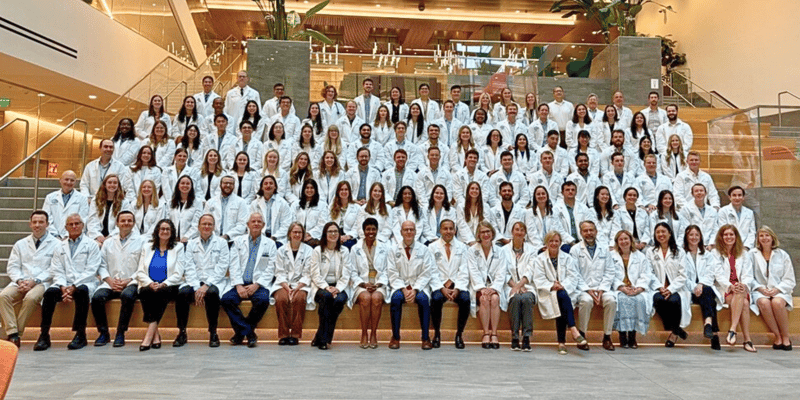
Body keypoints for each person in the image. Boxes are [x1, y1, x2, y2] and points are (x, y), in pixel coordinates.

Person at [30, 214, 98, 351]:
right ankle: (44, 335)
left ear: (82, 225)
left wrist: (73, 286)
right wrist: (62, 286)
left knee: (82, 291)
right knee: (49, 293)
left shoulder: (92, 245)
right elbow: (57, 269)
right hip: (64, 284)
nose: (74, 226)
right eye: (71, 224)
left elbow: (91, 270)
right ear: (66, 227)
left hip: (84, 283)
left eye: (77, 223)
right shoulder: (60, 247)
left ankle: (80, 334)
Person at [0, 211, 60, 347]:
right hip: (21, 281)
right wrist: (20, 280)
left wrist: (35, 281)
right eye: (34, 222)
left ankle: (16, 334)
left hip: (42, 282)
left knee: (31, 298)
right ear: (30, 224)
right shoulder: (20, 244)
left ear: (47, 224)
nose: (37, 225)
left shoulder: (56, 244)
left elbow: (54, 268)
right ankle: (13, 332)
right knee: (3, 296)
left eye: (41, 222)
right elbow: (12, 266)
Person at [222, 213, 277, 348]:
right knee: (226, 300)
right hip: (239, 283)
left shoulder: (270, 244)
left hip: (259, 284)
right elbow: (233, 265)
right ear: (248, 225)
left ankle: (240, 334)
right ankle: (249, 333)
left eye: (259, 221)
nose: (256, 224)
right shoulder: (238, 241)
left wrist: (257, 285)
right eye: (253, 221)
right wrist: (239, 285)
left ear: (263, 226)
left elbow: (271, 268)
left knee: (262, 300)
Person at [91, 211, 144, 348]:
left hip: (132, 281)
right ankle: (103, 333)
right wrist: (108, 280)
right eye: (123, 220)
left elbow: (143, 266)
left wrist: (129, 280)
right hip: (110, 282)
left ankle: (121, 332)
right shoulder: (108, 242)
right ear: (117, 223)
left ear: (133, 223)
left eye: (129, 221)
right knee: (97, 298)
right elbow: (101, 265)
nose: (126, 223)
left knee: (127, 296)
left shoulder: (142, 242)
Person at [135, 219, 190, 351]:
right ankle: (155, 335)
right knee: (144, 292)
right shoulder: (147, 247)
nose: (165, 231)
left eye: (168, 229)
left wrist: (163, 284)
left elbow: (178, 273)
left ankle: (149, 335)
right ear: (157, 231)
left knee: (160, 293)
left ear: (172, 232)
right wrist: (150, 283)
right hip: (150, 284)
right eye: (162, 229)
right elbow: (140, 271)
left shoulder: (178, 247)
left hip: (170, 285)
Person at [533, 231, 589, 354]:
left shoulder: (568, 258)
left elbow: (573, 277)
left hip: (565, 290)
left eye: (556, 241)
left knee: (561, 298)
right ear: (546, 243)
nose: (554, 243)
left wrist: (562, 286)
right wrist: (552, 286)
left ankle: (562, 343)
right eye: (551, 241)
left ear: (560, 243)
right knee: (561, 298)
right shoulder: (539, 259)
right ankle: (573, 330)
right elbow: (538, 279)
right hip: (547, 292)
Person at [183, 214, 233, 347]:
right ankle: (182, 332)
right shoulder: (191, 243)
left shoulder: (222, 243)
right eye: (204, 224)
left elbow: (222, 267)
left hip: (214, 281)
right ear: (198, 226)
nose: (206, 226)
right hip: (195, 280)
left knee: (212, 293)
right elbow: (189, 266)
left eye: (210, 224)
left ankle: (213, 333)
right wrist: (195, 287)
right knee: (182, 294)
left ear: (214, 227)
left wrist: (206, 285)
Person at [386, 221, 434, 350]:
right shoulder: (393, 250)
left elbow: (426, 272)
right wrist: (403, 288)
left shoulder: (424, 249)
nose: (408, 232)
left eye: (411, 229)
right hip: (400, 286)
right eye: (406, 229)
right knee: (395, 299)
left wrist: (415, 289)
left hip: (418, 287)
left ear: (415, 232)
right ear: (401, 232)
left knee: (424, 300)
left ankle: (425, 338)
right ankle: (395, 337)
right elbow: (392, 272)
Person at [571, 220, 617, 351]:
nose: (588, 233)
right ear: (581, 233)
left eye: (591, 230)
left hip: (602, 288)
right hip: (584, 289)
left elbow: (610, 271)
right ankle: (582, 335)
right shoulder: (575, 250)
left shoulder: (604, 249)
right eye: (585, 231)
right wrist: (588, 290)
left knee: (611, 301)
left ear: (596, 231)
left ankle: (607, 337)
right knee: (586, 301)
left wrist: (601, 290)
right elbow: (574, 273)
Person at [307, 222, 352, 350]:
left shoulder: (344, 251)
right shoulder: (317, 251)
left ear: (339, 234)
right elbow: (315, 274)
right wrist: (327, 287)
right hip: (321, 286)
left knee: (339, 299)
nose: (333, 234)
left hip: (339, 286)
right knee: (326, 298)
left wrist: (338, 288)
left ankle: (320, 335)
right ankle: (324, 340)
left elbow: (346, 273)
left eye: (335, 231)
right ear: (325, 234)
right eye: (330, 231)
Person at [712, 224, 756, 352]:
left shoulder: (744, 253)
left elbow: (748, 274)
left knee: (742, 297)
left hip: (740, 288)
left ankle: (733, 329)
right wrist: (730, 286)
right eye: (725, 234)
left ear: (736, 237)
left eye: (731, 234)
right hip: (724, 288)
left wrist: (743, 285)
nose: (728, 237)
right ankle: (747, 340)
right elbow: (718, 274)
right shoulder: (715, 253)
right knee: (745, 304)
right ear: (721, 237)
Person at [750, 226, 795, 350]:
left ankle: (786, 337)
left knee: (777, 302)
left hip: (779, 290)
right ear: (758, 239)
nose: (764, 238)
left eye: (767, 235)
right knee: (764, 303)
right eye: (761, 236)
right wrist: (760, 288)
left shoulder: (783, 255)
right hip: (760, 290)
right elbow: (749, 276)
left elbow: (789, 278)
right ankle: (777, 336)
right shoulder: (752, 254)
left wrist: (777, 289)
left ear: (772, 237)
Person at [428, 219, 471, 349]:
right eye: (445, 229)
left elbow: (464, 270)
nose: (448, 231)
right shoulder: (432, 247)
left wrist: (457, 288)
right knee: (435, 299)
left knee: (465, 299)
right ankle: (436, 334)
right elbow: (431, 270)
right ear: (440, 230)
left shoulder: (463, 247)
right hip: (440, 285)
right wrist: (442, 288)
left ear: (455, 230)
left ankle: (459, 334)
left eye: (451, 228)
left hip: (457, 285)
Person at [647, 222, 691, 348]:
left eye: (663, 232)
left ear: (670, 233)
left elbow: (682, 275)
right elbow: (648, 273)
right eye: (658, 232)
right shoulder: (651, 252)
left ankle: (673, 334)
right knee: (658, 299)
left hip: (676, 288)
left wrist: (670, 289)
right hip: (658, 288)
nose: (661, 235)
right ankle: (677, 329)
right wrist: (660, 287)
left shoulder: (680, 251)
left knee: (675, 301)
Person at [350, 218, 389, 349]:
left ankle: (373, 333)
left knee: (377, 298)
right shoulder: (355, 249)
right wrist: (363, 284)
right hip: (362, 284)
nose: (370, 232)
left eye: (373, 229)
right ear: (363, 231)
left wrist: (378, 284)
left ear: (377, 230)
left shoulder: (385, 247)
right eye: (368, 229)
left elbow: (387, 270)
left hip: (378, 283)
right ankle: (364, 333)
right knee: (366, 298)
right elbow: (353, 272)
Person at [683, 224, 723, 350]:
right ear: (686, 237)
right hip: (689, 290)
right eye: (691, 235)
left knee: (707, 291)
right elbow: (682, 276)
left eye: (697, 235)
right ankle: (713, 332)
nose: (694, 237)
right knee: (709, 299)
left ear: (700, 237)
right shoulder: (681, 254)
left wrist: (701, 285)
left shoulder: (708, 254)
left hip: (704, 288)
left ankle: (708, 325)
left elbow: (710, 274)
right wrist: (695, 287)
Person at [611, 230, 653, 349]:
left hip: (636, 288)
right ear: (617, 242)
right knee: (622, 300)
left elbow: (646, 274)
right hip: (619, 289)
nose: (624, 242)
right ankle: (623, 335)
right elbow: (610, 275)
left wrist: (639, 288)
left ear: (631, 241)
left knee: (639, 300)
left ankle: (633, 336)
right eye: (621, 239)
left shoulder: (640, 256)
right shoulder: (611, 256)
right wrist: (622, 287)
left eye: (626, 239)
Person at [273, 223, 313, 346]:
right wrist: (287, 287)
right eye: (294, 232)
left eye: (299, 232)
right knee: (281, 299)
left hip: (301, 284)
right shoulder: (281, 250)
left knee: (299, 298)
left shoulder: (309, 251)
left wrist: (297, 288)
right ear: (289, 234)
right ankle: (283, 335)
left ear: (303, 234)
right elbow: (279, 272)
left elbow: (308, 273)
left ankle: (295, 335)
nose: (297, 235)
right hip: (283, 284)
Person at [469, 220, 508, 349]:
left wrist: (494, 288)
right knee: (484, 299)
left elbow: (502, 272)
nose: (486, 234)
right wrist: (482, 288)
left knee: (495, 298)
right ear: (478, 235)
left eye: (488, 231)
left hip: (494, 285)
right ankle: (486, 333)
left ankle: (494, 333)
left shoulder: (500, 251)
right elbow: (473, 271)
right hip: (479, 285)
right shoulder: (472, 251)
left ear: (492, 233)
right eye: (482, 232)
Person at [501, 221, 536, 351]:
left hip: (528, 285)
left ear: (525, 233)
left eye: (522, 230)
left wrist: (521, 285)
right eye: (517, 229)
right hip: (510, 286)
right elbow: (502, 271)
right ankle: (515, 337)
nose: (519, 232)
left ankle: (526, 337)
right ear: (512, 232)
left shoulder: (532, 250)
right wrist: (515, 286)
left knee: (526, 298)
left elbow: (531, 270)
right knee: (516, 299)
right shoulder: (503, 251)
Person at [43, 170, 89, 240]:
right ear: (60, 180)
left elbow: (83, 219)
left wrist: (68, 235)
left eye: (72, 180)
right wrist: (55, 235)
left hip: (74, 237)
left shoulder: (82, 198)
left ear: (75, 182)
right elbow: (46, 218)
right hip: (52, 237)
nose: (69, 182)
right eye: (66, 179)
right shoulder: (50, 197)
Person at [202, 175, 249, 243]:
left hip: (233, 240)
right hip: (212, 239)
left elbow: (242, 224)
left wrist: (227, 236)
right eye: (225, 183)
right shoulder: (210, 202)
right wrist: (214, 237)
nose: (228, 185)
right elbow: (206, 222)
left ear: (234, 186)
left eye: (231, 183)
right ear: (220, 185)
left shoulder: (241, 202)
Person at [250, 176, 294, 245]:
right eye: (266, 183)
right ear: (261, 187)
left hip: (278, 238)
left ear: (275, 187)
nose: (268, 185)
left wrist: (274, 237)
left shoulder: (283, 203)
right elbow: (250, 223)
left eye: (271, 183)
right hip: (259, 237)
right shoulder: (254, 204)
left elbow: (286, 224)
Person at [87, 174, 130, 245]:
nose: (112, 185)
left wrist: (110, 236)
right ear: (104, 185)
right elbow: (92, 221)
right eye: (109, 182)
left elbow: (123, 223)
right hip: (97, 236)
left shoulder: (124, 202)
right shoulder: (96, 200)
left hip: (116, 236)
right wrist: (98, 236)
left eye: (115, 183)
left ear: (118, 185)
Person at [526, 185, 569, 250]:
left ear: (547, 196)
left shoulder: (553, 211)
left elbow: (560, 230)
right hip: (537, 246)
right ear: (535, 197)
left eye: (543, 194)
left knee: (567, 248)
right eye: (538, 194)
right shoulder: (529, 212)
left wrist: (571, 241)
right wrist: (542, 247)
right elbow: (532, 234)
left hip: (553, 243)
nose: (541, 196)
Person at [167, 176, 202, 244]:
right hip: (172, 240)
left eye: (188, 183)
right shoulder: (170, 203)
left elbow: (197, 223)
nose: (185, 185)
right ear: (178, 185)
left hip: (190, 240)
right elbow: (168, 221)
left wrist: (186, 236)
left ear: (191, 186)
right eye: (182, 183)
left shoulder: (198, 202)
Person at [294, 179, 326, 246]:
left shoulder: (322, 205)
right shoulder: (295, 204)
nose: (309, 190)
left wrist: (309, 234)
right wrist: (300, 234)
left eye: (312, 188)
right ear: (303, 190)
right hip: (297, 235)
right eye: (307, 188)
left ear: (315, 190)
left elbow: (322, 224)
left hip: (314, 237)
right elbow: (292, 221)